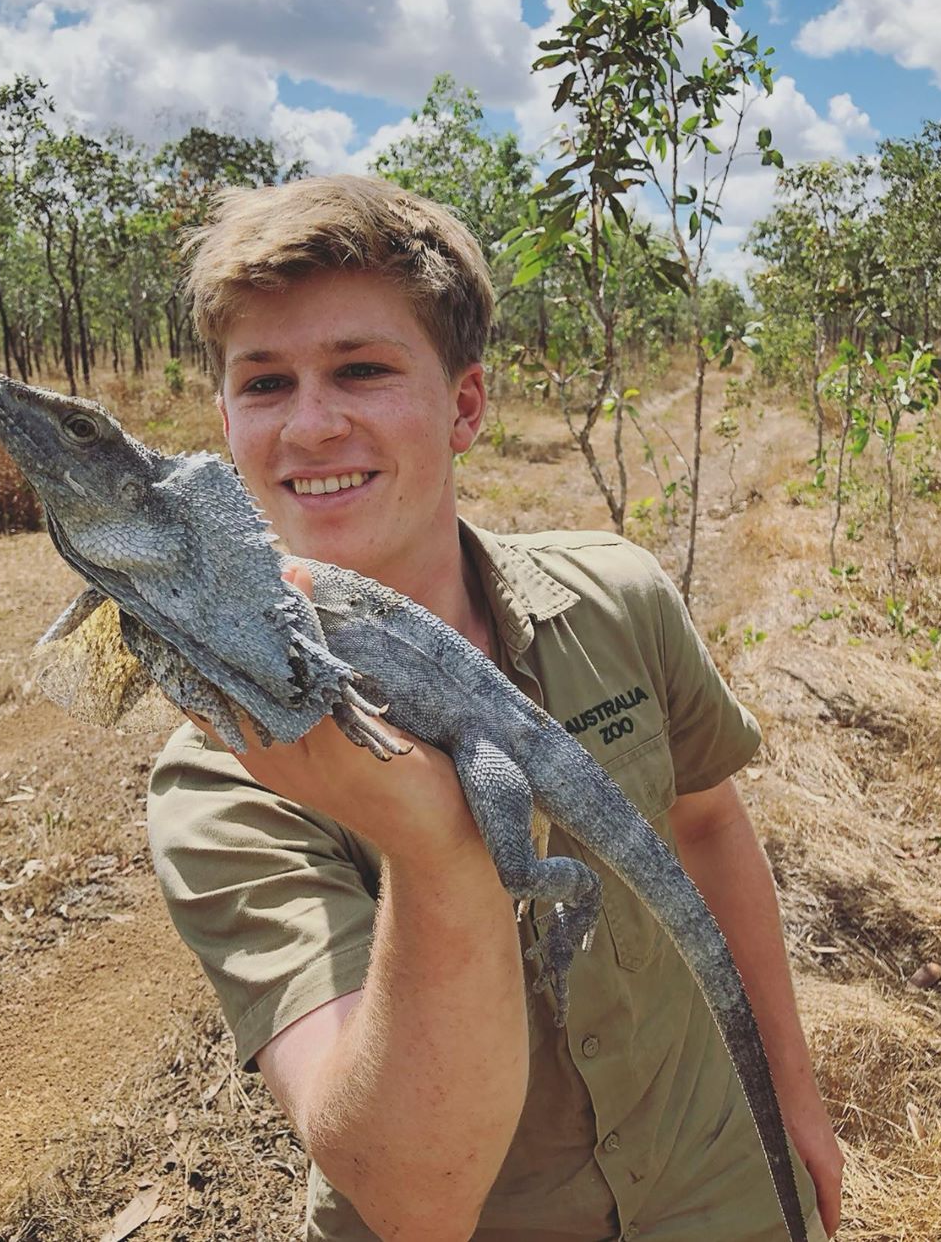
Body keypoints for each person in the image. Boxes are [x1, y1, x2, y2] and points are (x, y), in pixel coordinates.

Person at [147, 175, 842, 1242]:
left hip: (719, 1181)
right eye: (265, 383)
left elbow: (705, 828)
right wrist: (436, 848)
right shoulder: (226, 769)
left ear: (465, 405)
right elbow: (414, 1204)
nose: (312, 424)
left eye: (362, 370)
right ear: (225, 426)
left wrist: (793, 1092)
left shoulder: (618, 597)